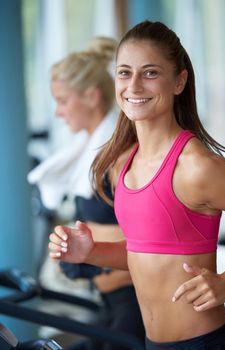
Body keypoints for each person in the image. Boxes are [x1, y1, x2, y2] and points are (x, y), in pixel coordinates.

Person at [48, 21, 225, 350]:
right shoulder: (127, 163)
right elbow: (144, 256)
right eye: (124, 72)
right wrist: (90, 252)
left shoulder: (197, 166)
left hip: (205, 342)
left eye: (149, 73)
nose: (133, 85)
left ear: (179, 81)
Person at [29, 37, 145, 350]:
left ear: (92, 97)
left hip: (135, 301)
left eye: (63, 101)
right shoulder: (93, 153)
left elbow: (153, 237)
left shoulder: (119, 156)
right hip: (107, 300)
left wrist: (91, 246)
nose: (58, 112)